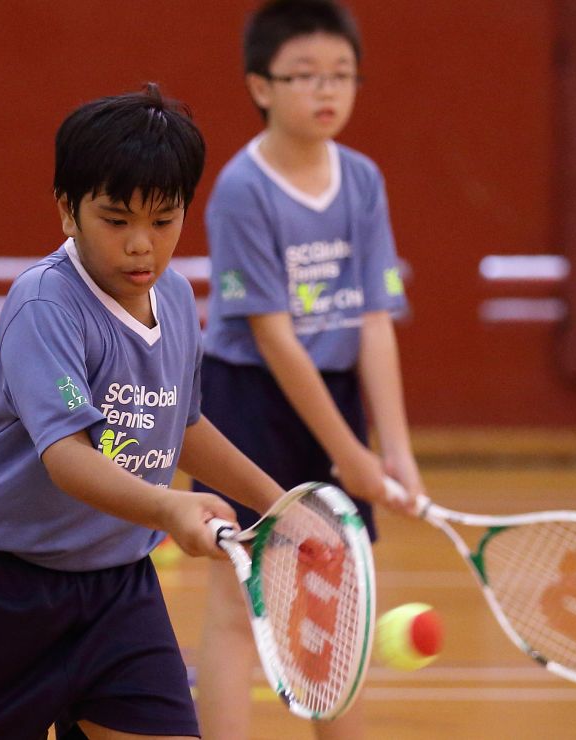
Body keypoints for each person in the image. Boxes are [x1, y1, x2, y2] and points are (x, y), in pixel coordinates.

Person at [0, 83, 288, 740]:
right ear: (67, 211)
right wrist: (168, 508)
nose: (141, 246)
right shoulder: (46, 305)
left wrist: (278, 505)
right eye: (116, 219)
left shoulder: (177, 298)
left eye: (163, 220)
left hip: (116, 589)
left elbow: (180, 425)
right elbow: (68, 457)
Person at [192, 1, 424, 738]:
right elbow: (274, 338)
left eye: (342, 75)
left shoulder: (361, 181)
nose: (327, 91)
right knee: (239, 605)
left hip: (336, 396)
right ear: (260, 86)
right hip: (249, 401)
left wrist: (394, 451)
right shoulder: (242, 189)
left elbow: (374, 321)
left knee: (335, 599)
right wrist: (351, 455)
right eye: (305, 76)